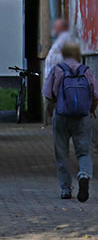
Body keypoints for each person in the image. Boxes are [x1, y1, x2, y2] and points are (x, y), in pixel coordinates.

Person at [43, 41, 98, 202]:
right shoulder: (86, 71)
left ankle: (66, 189)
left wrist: (52, 111)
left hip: (61, 116)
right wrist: (90, 111)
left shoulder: (57, 70)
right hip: (82, 117)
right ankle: (84, 175)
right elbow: (95, 95)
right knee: (84, 151)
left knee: (62, 154)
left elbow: (48, 94)